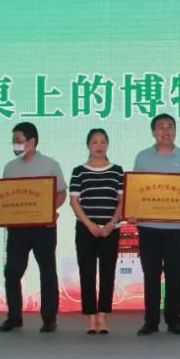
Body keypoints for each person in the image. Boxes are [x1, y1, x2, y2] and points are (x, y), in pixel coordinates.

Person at [132, 113, 180, 336]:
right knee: (150, 275)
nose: (165, 131)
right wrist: (133, 212)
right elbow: (136, 191)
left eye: (170, 127)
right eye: (161, 127)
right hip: (148, 227)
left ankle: (173, 321)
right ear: (153, 132)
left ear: (175, 131)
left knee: (174, 275)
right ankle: (150, 321)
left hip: (177, 229)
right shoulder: (142, 157)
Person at [0, 122, 67, 334]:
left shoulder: (50, 164)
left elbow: (61, 193)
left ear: (32, 141)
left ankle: (49, 319)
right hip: (17, 229)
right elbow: (3, 197)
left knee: (47, 272)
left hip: (43, 228)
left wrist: (50, 210)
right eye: (14, 141)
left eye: (19, 141)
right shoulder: (10, 167)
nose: (15, 145)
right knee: (12, 272)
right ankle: (14, 317)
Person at [69, 128, 124, 335]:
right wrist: (89, 224)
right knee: (87, 272)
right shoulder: (79, 171)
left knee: (107, 272)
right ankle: (91, 317)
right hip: (86, 230)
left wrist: (111, 223)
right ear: (88, 146)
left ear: (107, 145)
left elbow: (122, 200)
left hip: (111, 229)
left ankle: (103, 317)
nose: (99, 146)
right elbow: (74, 201)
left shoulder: (117, 170)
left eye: (103, 142)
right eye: (94, 142)